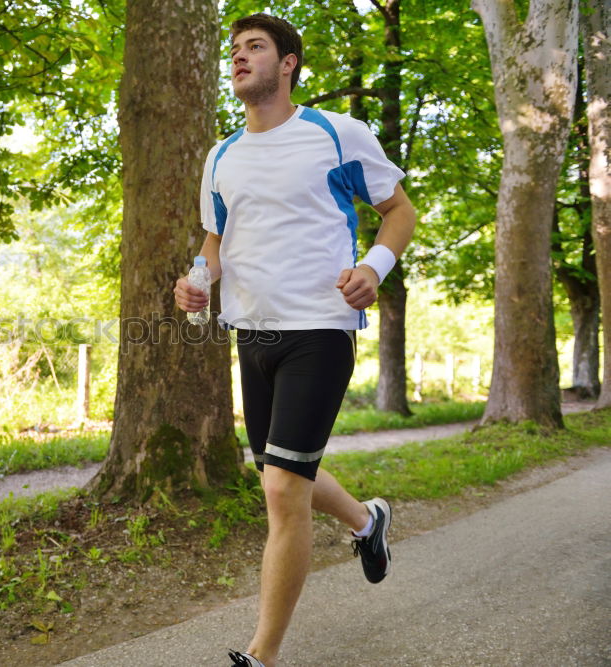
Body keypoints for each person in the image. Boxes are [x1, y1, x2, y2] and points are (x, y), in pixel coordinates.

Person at [173, 13, 417, 667]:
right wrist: (197, 279)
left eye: (255, 47)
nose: (239, 58)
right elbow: (217, 238)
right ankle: (368, 522)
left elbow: (400, 210)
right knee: (282, 474)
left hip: (319, 328)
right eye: (234, 50)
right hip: (251, 332)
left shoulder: (336, 134)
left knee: (282, 488)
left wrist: (373, 267)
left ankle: (263, 655)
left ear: (288, 64)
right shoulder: (221, 155)